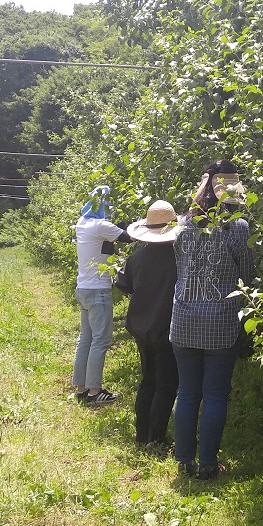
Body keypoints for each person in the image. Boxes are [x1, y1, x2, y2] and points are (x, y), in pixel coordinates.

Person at [170, 161, 253, 481]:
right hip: (220, 322)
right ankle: (207, 464)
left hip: (183, 319)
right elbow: (247, 276)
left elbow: (179, 267)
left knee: (187, 391)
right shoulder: (237, 228)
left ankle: (184, 460)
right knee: (216, 394)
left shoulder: (181, 225)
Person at [115, 198, 181, 449]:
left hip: (141, 325)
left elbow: (124, 285)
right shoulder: (179, 258)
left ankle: (142, 434)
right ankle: (156, 438)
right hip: (166, 326)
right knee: (166, 384)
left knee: (148, 380)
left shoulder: (137, 258)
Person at [73, 186, 131, 406]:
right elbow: (127, 237)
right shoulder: (101, 226)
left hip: (84, 288)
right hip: (98, 290)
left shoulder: (83, 223)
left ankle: (81, 388)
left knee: (85, 340)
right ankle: (94, 392)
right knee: (101, 340)